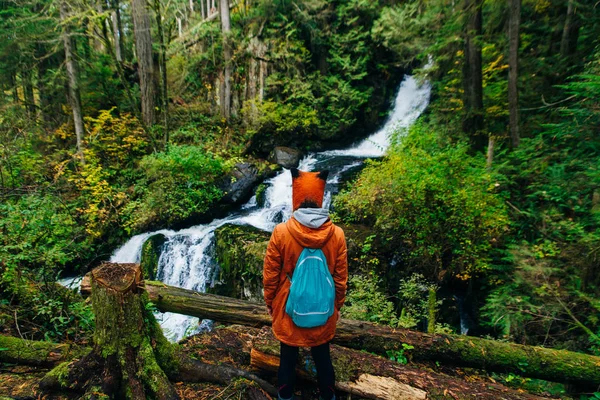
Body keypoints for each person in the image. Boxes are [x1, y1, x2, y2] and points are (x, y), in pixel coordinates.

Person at [263, 168, 348, 400]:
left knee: (288, 356)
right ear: (320, 199)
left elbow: (270, 274)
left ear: (296, 198)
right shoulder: (337, 234)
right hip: (324, 305)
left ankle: (285, 395)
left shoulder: (281, 232)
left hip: (289, 304)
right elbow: (340, 278)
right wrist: (337, 304)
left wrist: (271, 302)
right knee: (322, 354)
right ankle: (328, 395)